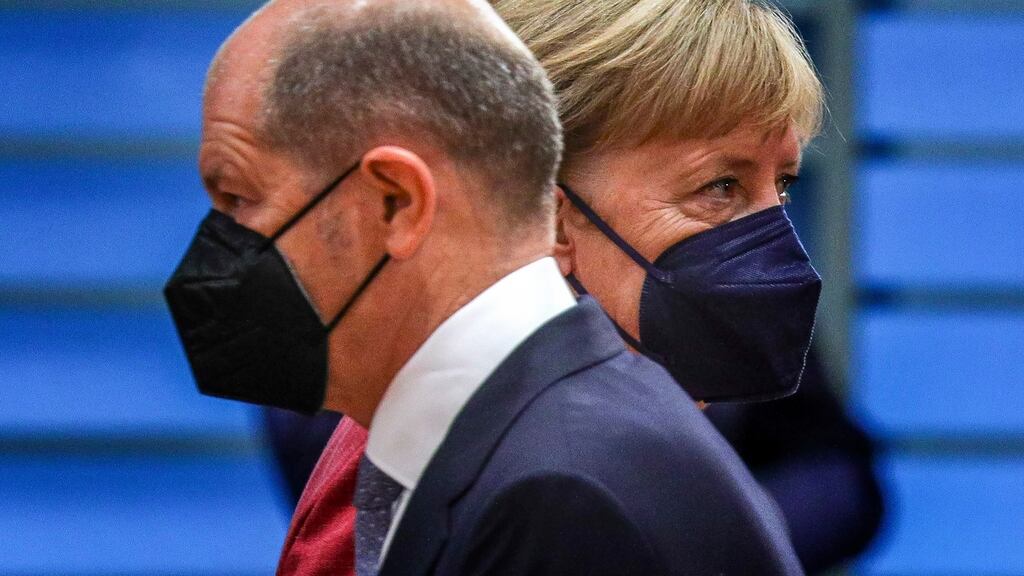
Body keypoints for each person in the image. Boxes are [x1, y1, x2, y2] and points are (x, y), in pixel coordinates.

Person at [164, 0, 807, 575]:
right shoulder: (413, 450)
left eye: (782, 188)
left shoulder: (550, 473)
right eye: (721, 186)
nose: (771, 249)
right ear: (542, 204)